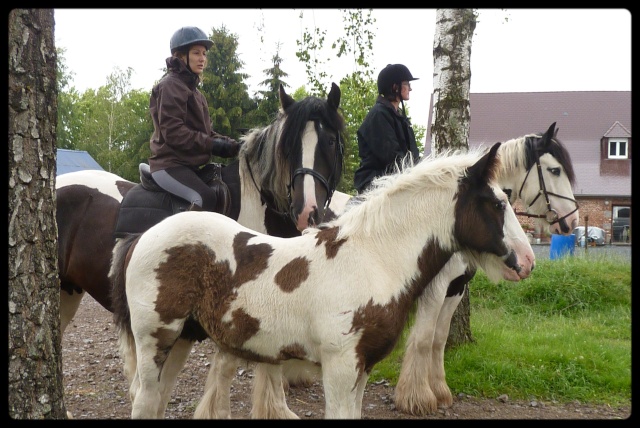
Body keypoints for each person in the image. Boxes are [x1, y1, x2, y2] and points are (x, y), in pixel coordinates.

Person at [149, 26, 240, 212]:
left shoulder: (197, 94)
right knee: (204, 198)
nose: (202, 59)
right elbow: (174, 133)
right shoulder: (170, 86)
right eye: (196, 53)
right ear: (181, 56)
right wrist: (212, 145)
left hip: (188, 167)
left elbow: (207, 134)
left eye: (204, 54)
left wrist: (233, 146)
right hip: (169, 166)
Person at [353, 63, 420, 194]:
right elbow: (393, 159)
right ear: (395, 87)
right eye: (406, 84)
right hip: (376, 183)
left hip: (395, 179)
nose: (410, 88)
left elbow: (413, 156)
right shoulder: (379, 115)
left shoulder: (400, 117)